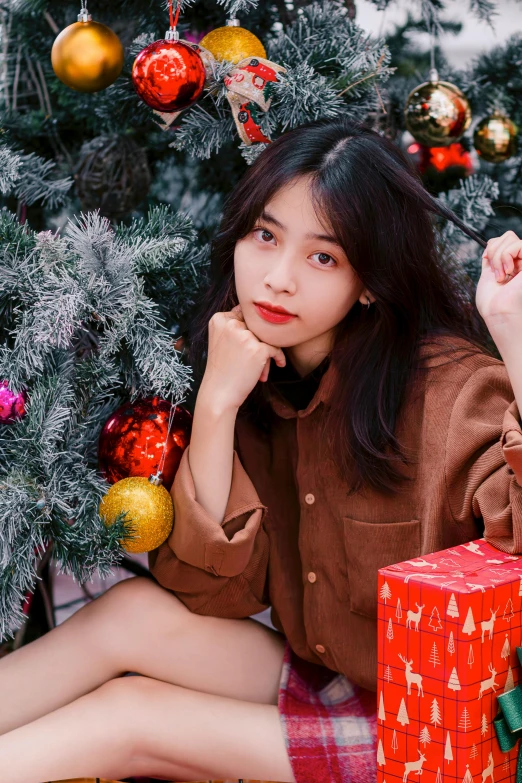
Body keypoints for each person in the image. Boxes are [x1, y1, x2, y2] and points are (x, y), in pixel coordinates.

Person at [0, 118, 521, 783]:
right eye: (265, 236)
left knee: (129, 717)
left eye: (322, 257)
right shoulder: (253, 367)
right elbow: (208, 592)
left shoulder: (453, 390)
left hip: (437, 727)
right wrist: (216, 404)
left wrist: (512, 334)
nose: (277, 279)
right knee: (130, 612)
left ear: (369, 280)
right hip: (335, 678)